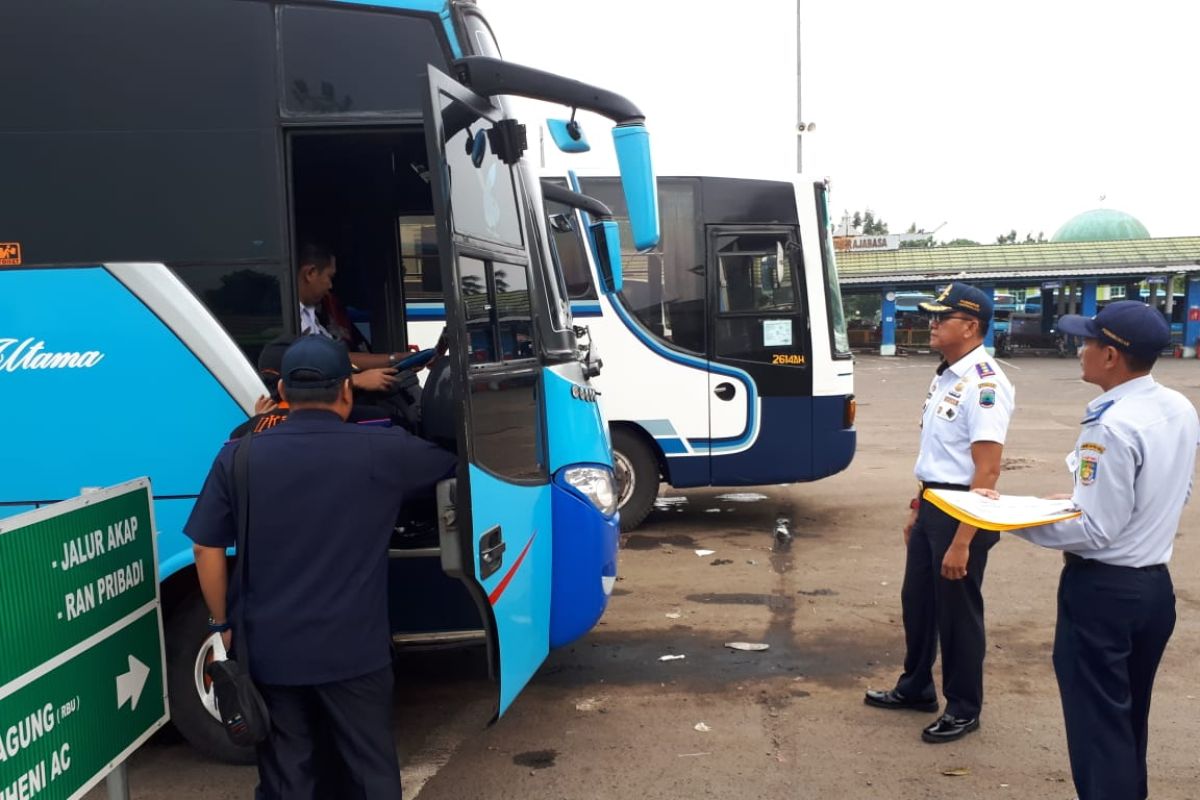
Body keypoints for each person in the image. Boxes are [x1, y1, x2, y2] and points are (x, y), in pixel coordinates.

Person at [185, 335, 457, 799]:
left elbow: (206, 548)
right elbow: (455, 463)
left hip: (270, 652)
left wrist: (221, 622)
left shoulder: (240, 455)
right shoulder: (382, 450)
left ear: (283, 394)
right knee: (369, 770)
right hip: (355, 651)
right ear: (347, 391)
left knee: (289, 776)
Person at [980, 301, 1197, 800]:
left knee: (1099, 732)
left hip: (1104, 593)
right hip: (1153, 592)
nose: (1080, 351)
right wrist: (1079, 500)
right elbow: (1172, 492)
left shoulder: (1111, 424)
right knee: (1125, 724)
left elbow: (1096, 531)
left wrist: (1011, 517)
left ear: (1112, 356)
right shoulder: (1177, 407)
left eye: (1089, 342)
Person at [864, 282, 1015, 743]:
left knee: (958, 615)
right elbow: (937, 454)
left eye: (940, 318)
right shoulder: (946, 374)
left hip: (962, 513)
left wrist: (964, 539)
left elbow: (987, 471)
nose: (929, 324)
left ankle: (965, 707)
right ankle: (916, 687)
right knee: (919, 604)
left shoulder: (986, 384)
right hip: (933, 503)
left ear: (970, 327)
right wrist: (917, 506)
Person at [295, 242, 400, 393]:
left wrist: (394, 359)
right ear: (310, 273)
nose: (330, 286)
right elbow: (321, 366)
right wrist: (357, 380)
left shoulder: (310, 313)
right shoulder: (294, 318)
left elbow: (339, 356)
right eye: (329, 277)